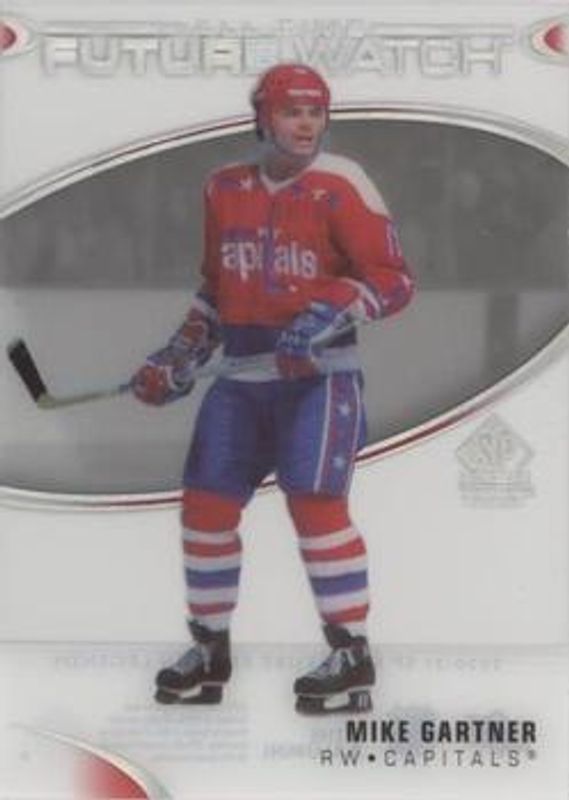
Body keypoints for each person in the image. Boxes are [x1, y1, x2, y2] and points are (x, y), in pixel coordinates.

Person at [132, 63, 414, 715]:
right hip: (240, 381)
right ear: (262, 117)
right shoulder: (222, 187)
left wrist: (327, 312)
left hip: (319, 381)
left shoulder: (342, 183)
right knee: (204, 509)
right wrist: (178, 355)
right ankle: (209, 649)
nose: (306, 124)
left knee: (315, 508)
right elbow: (216, 288)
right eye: (291, 111)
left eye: (315, 112)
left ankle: (350, 654)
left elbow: (394, 278)